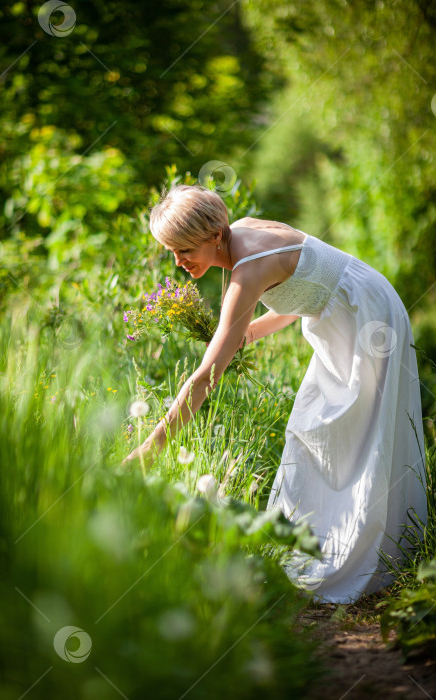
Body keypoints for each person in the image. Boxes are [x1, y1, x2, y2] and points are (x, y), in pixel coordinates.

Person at [123, 183, 428, 604]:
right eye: (172, 252)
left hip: (367, 318)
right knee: (309, 428)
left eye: (184, 250)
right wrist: (246, 332)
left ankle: (371, 555)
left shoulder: (249, 267)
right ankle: (316, 545)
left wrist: (151, 447)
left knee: (359, 433)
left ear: (214, 235)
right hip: (338, 317)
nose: (178, 262)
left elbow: (206, 375)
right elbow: (303, 287)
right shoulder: (242, 235)